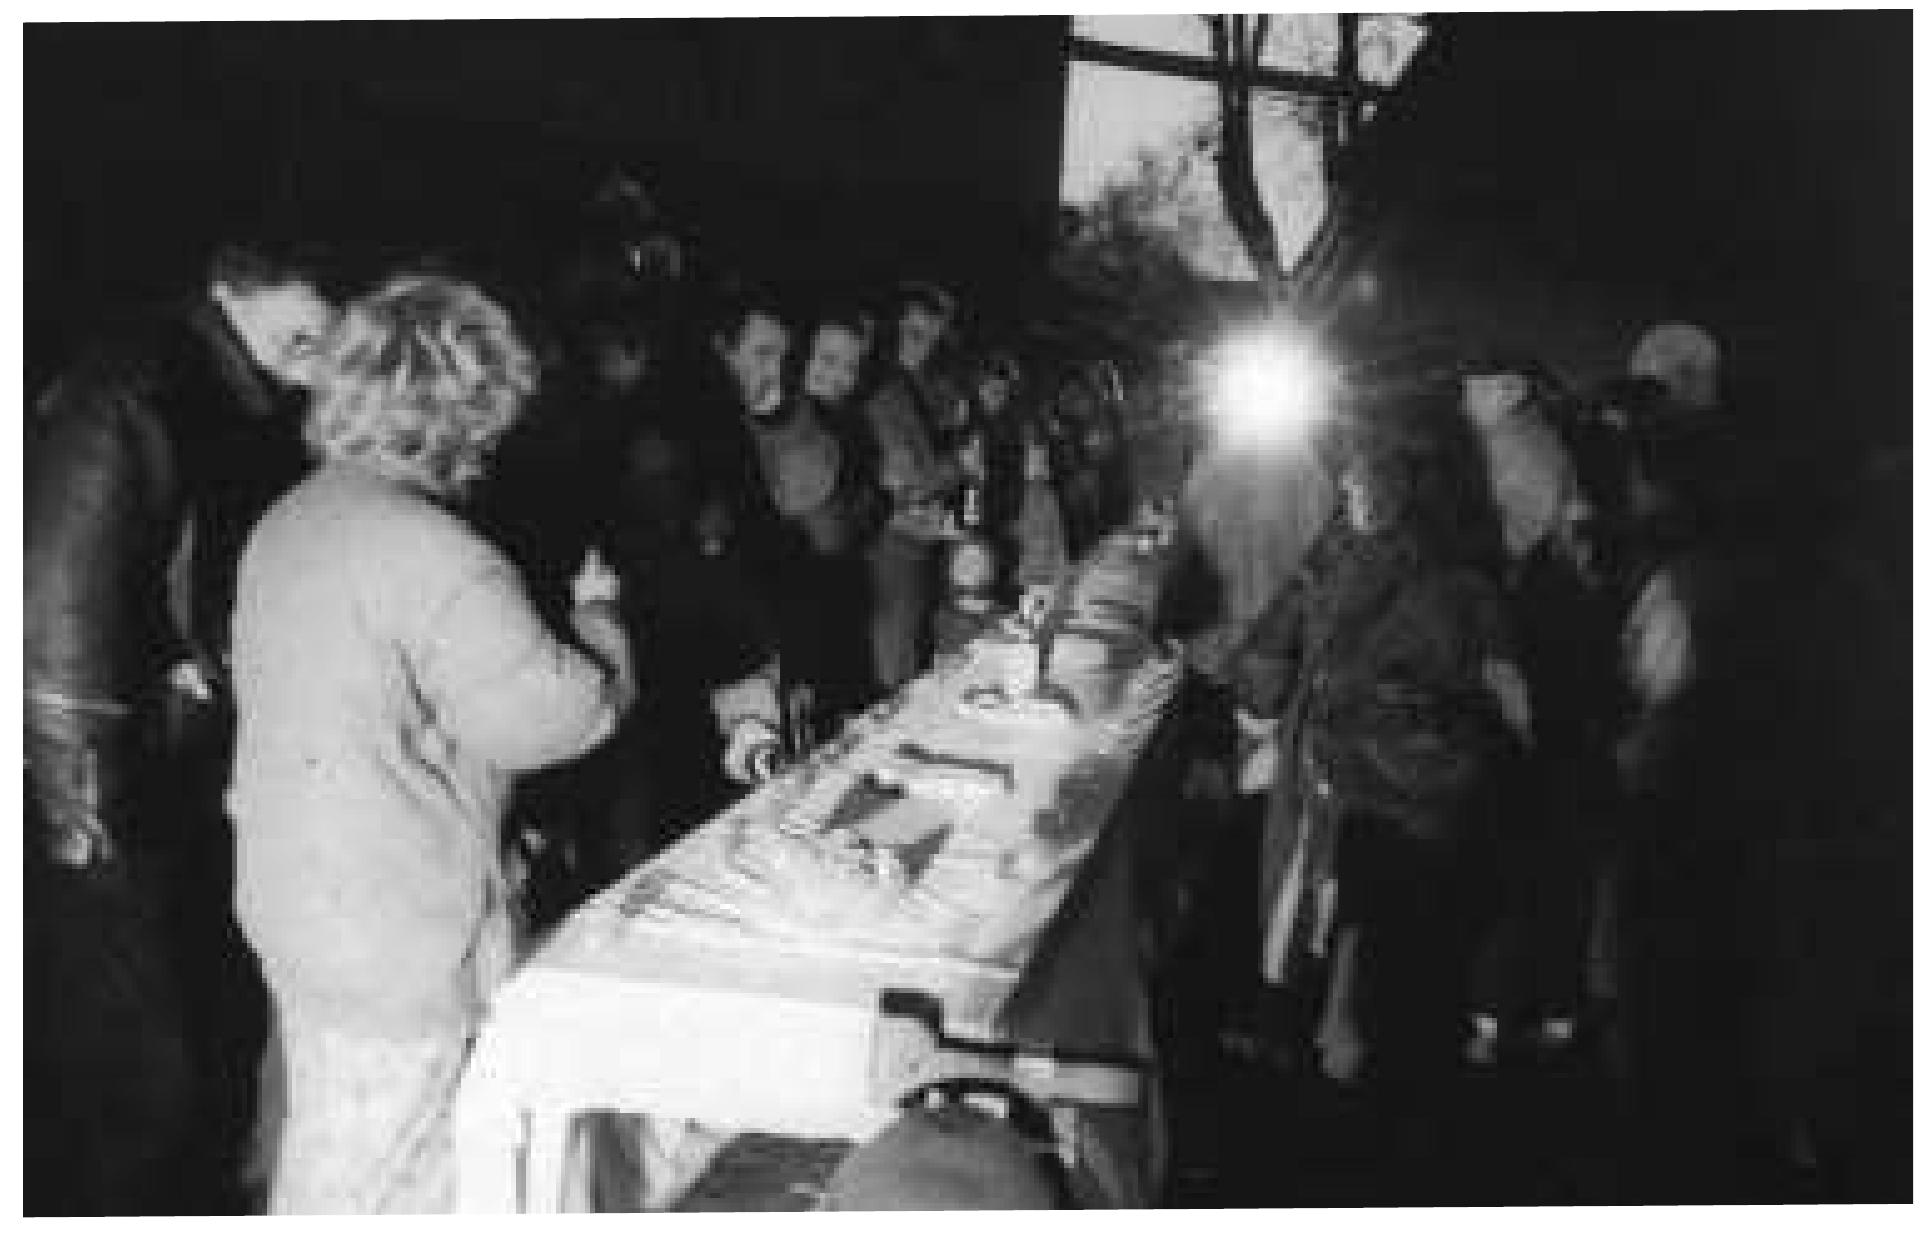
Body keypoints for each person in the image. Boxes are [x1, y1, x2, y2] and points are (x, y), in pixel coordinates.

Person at [225, 274, 635, 1213]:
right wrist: (603, 621)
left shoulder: (288, 521)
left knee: (341, 1140)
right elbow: (555, 719)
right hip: (394, 925)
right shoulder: (432, 549)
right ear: (463, 413)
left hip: (296, 898)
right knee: (375, 1176)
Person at [23, 238, 340, 1215]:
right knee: (143, 1081)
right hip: (103, 800)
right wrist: (84, 823)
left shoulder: (225, 393)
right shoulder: (135, 392)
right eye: (313, 305)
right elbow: (53, 618)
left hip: (168, 776)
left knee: (195, 1055)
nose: (328, 340)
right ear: (236, 282)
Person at [1226, 428, 1528, 1100]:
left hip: (1340, 772)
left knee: (1311, 907)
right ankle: (1380, 1049)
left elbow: (1266, 659)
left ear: (1382, 491)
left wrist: (1256, 719)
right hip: (1434, 787)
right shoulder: (1475, 571)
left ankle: (1291, 1035)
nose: (1343, 489)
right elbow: (1511, 691)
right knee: (1394, 923)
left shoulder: (1336, 560)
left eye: (1355, 480)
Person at [861, 280, 965, 688]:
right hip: (891, 553)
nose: (923, 348)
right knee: (895, 677)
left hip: (918, 546)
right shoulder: (885, 392)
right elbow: (907, 481)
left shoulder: (914, 388)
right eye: (914, 334)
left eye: (931, 339)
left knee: (915, 665)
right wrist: (959, 464)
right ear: (892, 331)